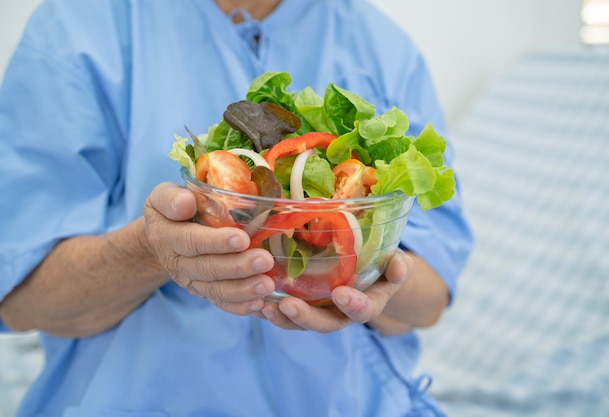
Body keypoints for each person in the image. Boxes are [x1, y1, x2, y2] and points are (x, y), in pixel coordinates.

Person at [0, 0, 473, 416]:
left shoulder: (383, 46)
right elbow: (19, 298)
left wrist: (364, 274)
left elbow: (430, 297)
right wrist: (152, 249)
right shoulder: (77, 28)